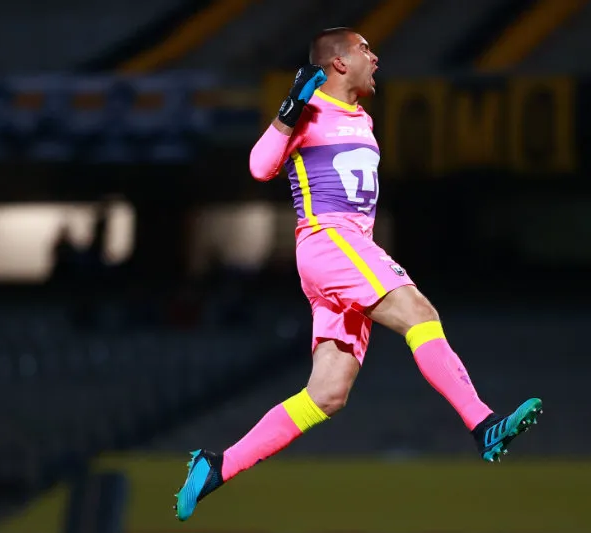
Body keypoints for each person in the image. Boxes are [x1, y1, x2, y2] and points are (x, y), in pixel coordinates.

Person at [174, 27, 542, 522]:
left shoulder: (363, 120)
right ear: (338, 62)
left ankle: (219, 464)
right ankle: (483, 423)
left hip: (343, 253)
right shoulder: (309, 111)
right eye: (365, 49)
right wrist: (290, 107)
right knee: (418, 311)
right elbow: (260, 167)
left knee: (327, 394)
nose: (376, 57)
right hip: (330, 240)